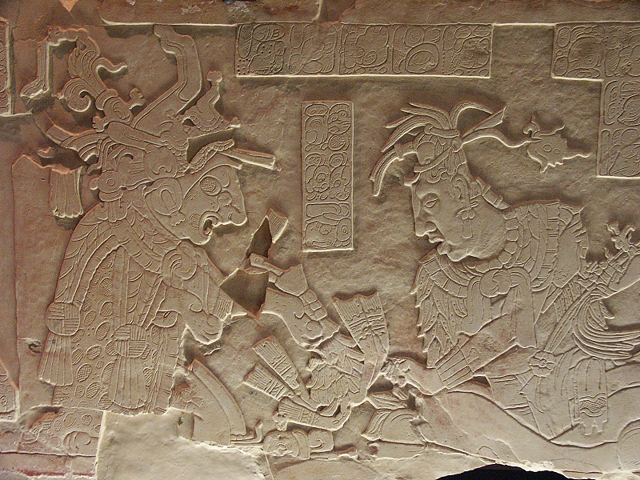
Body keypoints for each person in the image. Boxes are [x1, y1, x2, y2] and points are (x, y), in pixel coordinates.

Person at [366, 101, 640, 467]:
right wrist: (431, 380)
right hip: (506, 414)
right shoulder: (436, 278)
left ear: (461, 192)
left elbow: (575, 319)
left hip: (585, 393)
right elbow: (451, 387)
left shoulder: (550, 228)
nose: (421, 228)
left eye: (430, 204)